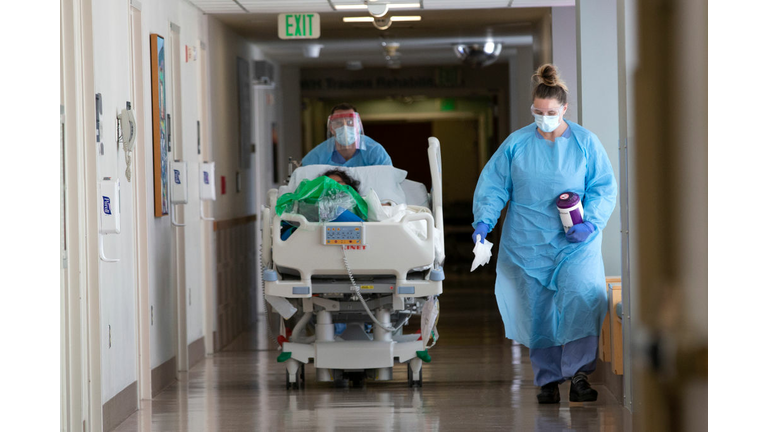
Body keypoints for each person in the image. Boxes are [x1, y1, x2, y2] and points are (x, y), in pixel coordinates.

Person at [471, 64, 617, 404]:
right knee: (538, 311)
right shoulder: (516, 144)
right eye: (538, 112)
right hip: (528, 242)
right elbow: (494, 187)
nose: (544, 118)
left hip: (575, 242)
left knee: (582, 299)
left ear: (564, 108)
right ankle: (547, 380)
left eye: (551, 112)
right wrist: (483, 223)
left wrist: (590, 222)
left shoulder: (585, 143)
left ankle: (580, 376)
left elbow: (603, 188)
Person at [301, 103, 392, 167]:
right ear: (331, 128)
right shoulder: (318, 155)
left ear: (358, 126)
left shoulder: (374, 151)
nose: (345, 127)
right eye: (339, 123)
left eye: (350, 122)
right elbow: (304, 182)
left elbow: (386, 181)